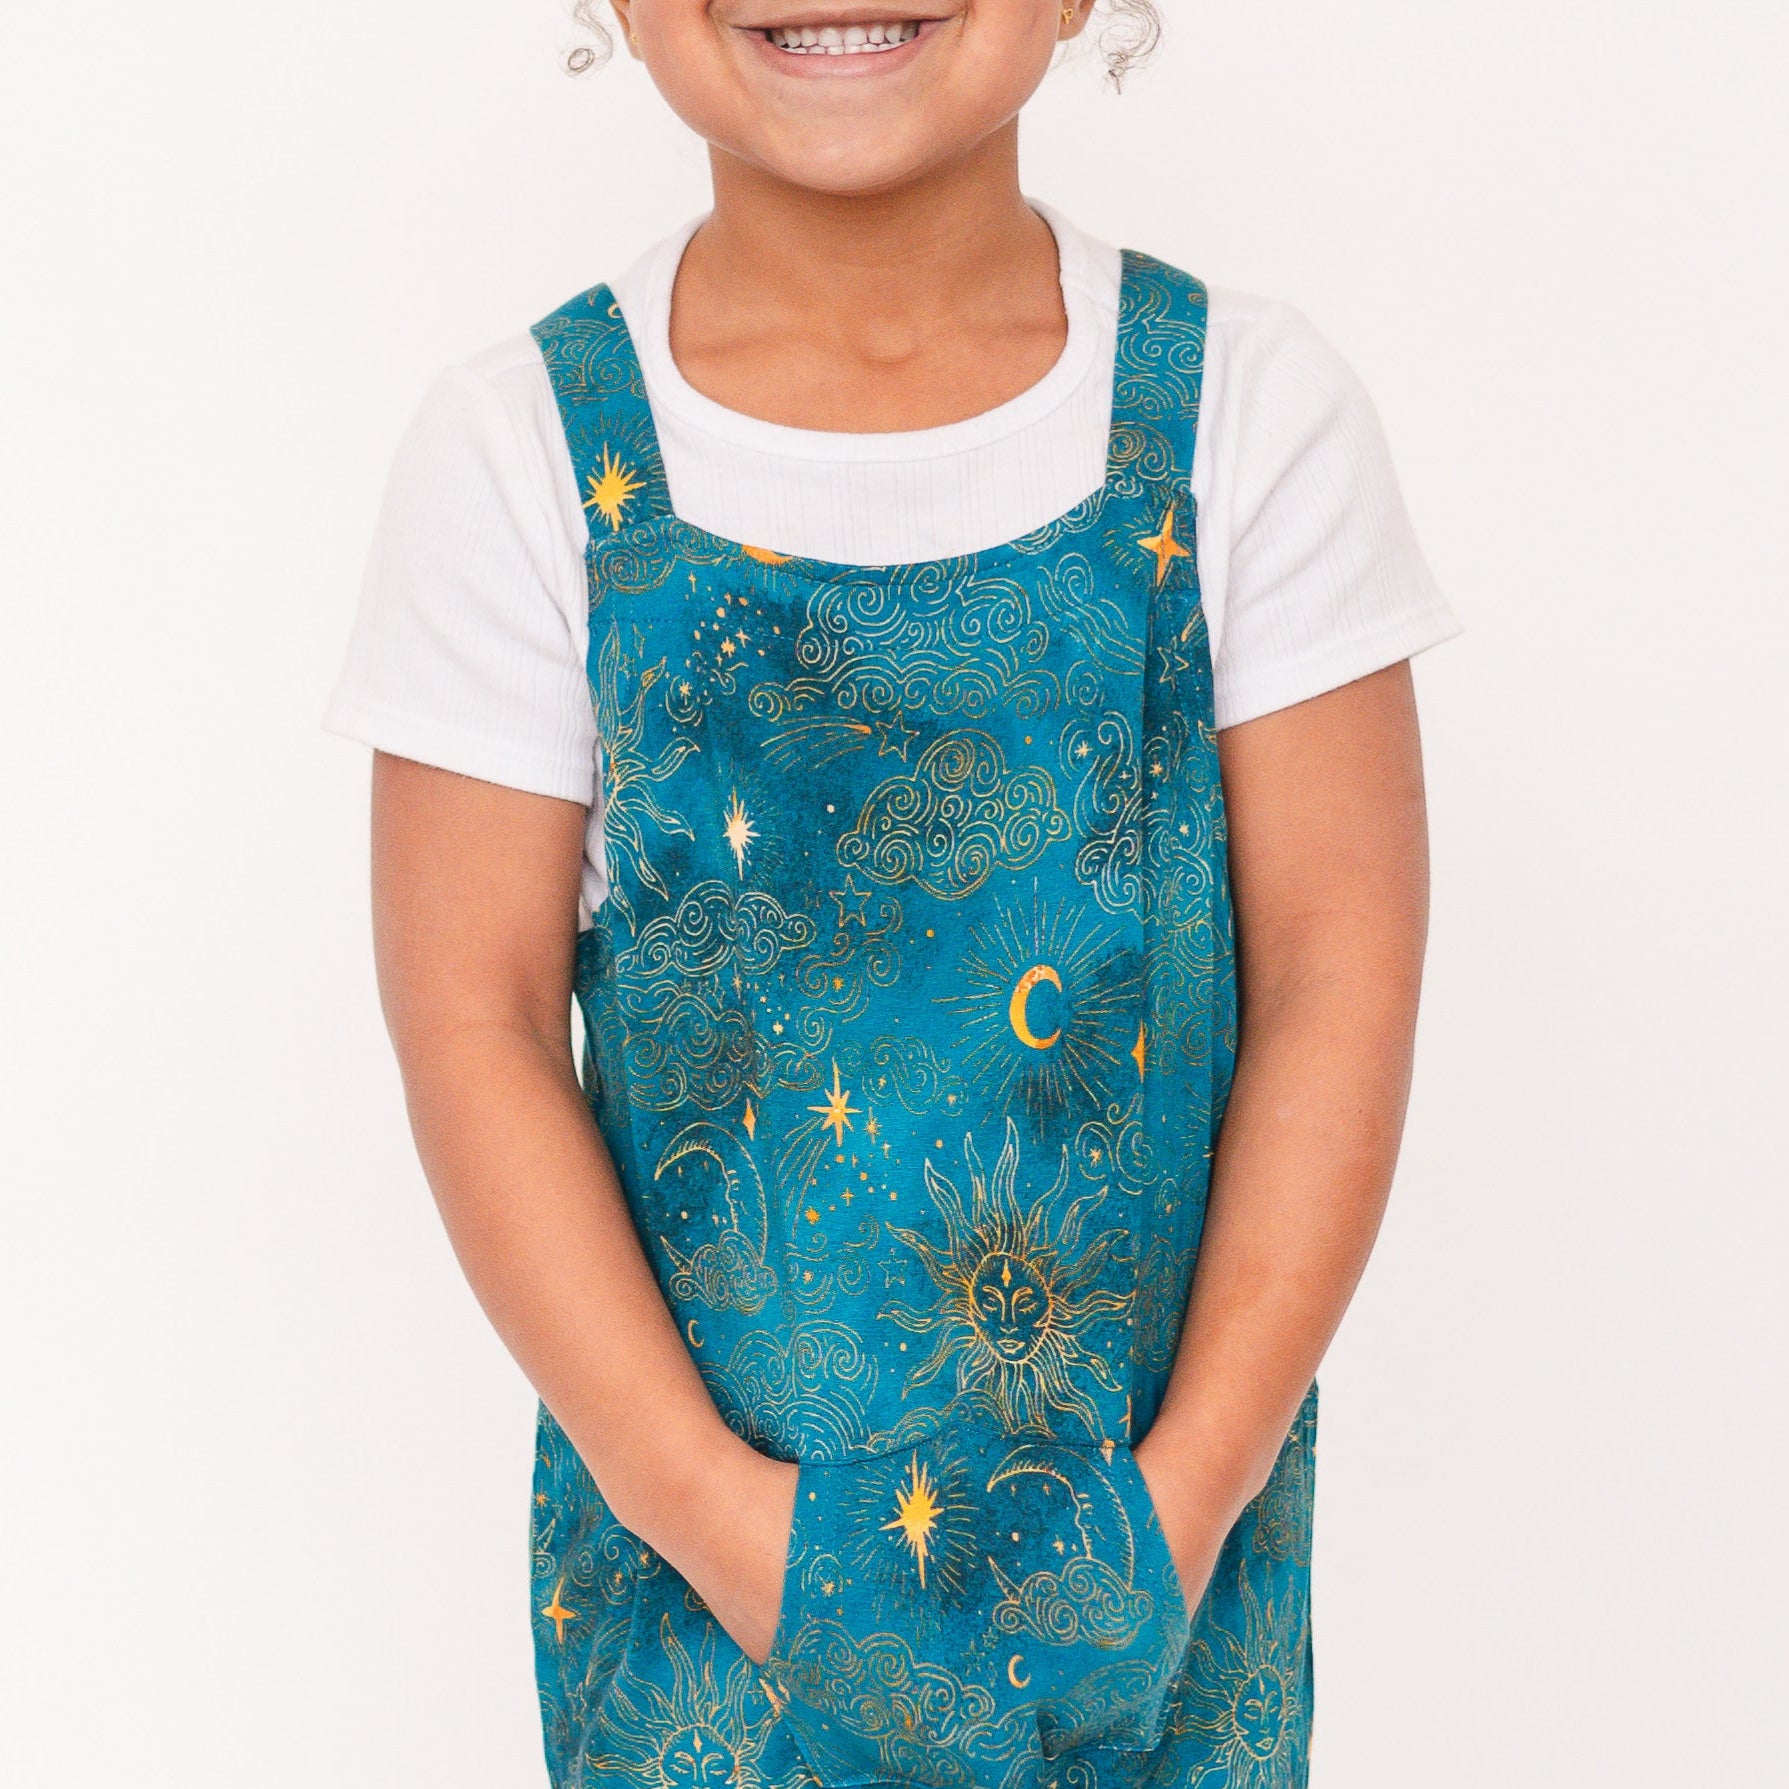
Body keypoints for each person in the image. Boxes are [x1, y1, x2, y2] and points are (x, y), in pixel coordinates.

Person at [327, 4, 1458, 1783]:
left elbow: (1340, 976)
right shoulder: (521, 453)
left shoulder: (1247, 413)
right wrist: (717, 1522)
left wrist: (1190, 1492)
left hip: (1157, 1558)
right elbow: (471, 1024)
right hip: (703, 1589)